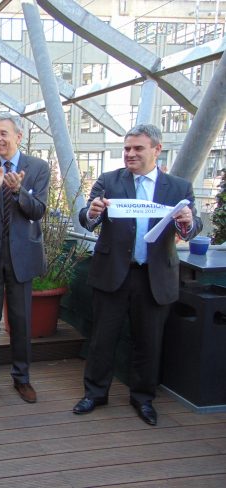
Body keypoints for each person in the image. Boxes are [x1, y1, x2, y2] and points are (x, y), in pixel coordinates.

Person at [72, 123, 201, 426]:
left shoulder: (179, 187)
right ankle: (95, 393)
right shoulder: (108, 181)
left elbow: (193, 229)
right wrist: (92, 212)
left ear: (157, 149)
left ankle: (143, 399)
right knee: (103, 338)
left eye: (137, 148)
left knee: (149, 341)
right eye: (127, 148)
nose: (129, 154)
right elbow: (86, 219)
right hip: (113, 273)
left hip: (154, 277)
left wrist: (187, 222)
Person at [0, 113, 50, 404]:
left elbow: (38, 210)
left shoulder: (38, 168)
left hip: (22, 255)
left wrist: (18, 190)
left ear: (19, 137)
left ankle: (22, 378)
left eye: (3, 133)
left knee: (21, 319)